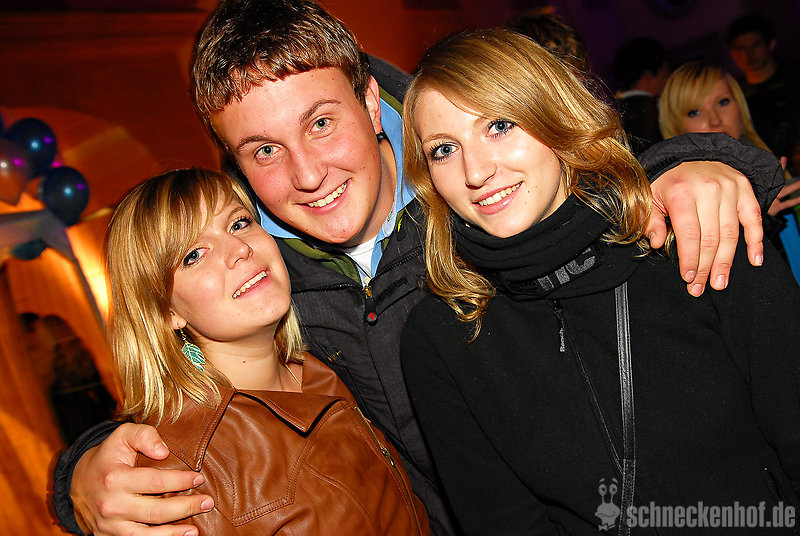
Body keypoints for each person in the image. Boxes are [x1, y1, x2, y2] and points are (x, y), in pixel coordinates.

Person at [52, 1, 782, 535]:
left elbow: (579, 167)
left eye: (320, 122)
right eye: (264, 151)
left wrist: (696, 162)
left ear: (371, 100)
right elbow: (190, 391)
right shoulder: (262, 278)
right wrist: (79, 474)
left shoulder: (475, 194)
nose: (307, 174)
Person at [400, 28, 799, 535]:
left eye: (499, 125)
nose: (476, 171)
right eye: (443, 149)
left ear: (557, 119)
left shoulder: (697, 239)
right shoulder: (441, 337)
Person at [104, 167, 429, 535]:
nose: (239, 249)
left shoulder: (319, 366)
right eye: (194, 254)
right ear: (166, 312)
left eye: (239, 223)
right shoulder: (179, 475)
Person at [659, 60, 800, 250]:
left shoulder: (773, 160)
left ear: (739, 105)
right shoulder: (681, 195)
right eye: (695, 112)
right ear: (676, 125)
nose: (715, 119)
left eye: (723, 102)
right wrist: (761, 219)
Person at [727, 13, 800, 173]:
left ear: (770, 44)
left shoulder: (794, 78)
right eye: (741, 48)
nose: (749, 54)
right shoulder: (733, 95)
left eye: (755, 45)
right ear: (733, 53)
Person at [612, 37, 670, 155]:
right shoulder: (658, 110)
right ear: (648, 75)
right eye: (665, 70)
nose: (669, 76)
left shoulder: (613, 111)